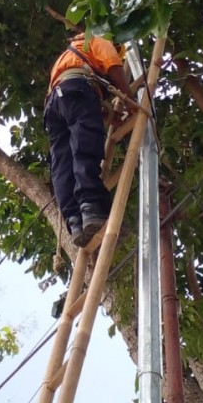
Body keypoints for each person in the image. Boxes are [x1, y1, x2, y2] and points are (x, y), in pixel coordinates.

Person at [43, 33, 135, 248]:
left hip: (54, 105)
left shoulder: (69, 56)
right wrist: (129, 100)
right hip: (76, 90)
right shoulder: (98, 41)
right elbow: (113, 66)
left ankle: (75, 221)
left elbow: (71, 102)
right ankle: (92, 207)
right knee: (86, 147)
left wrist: (105, 114)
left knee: (62, 164)